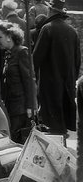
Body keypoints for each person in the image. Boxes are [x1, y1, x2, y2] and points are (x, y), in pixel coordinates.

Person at [33, 0, 81, 135]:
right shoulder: (72, 31)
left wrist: (33, 79)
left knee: (52, 126)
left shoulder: (47, 28)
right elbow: (78, 61)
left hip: (50, 86)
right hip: (67, 85)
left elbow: (36, 59)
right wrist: (72, 81)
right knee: (62, 126)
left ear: (51, 11)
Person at [0, 21, 37, 143]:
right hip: (11, 105)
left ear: (9, 37)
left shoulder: (22, 52)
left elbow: (29, 81)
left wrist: (30, 106)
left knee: (18, 139)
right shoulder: (8, 54)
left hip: (21, 107)